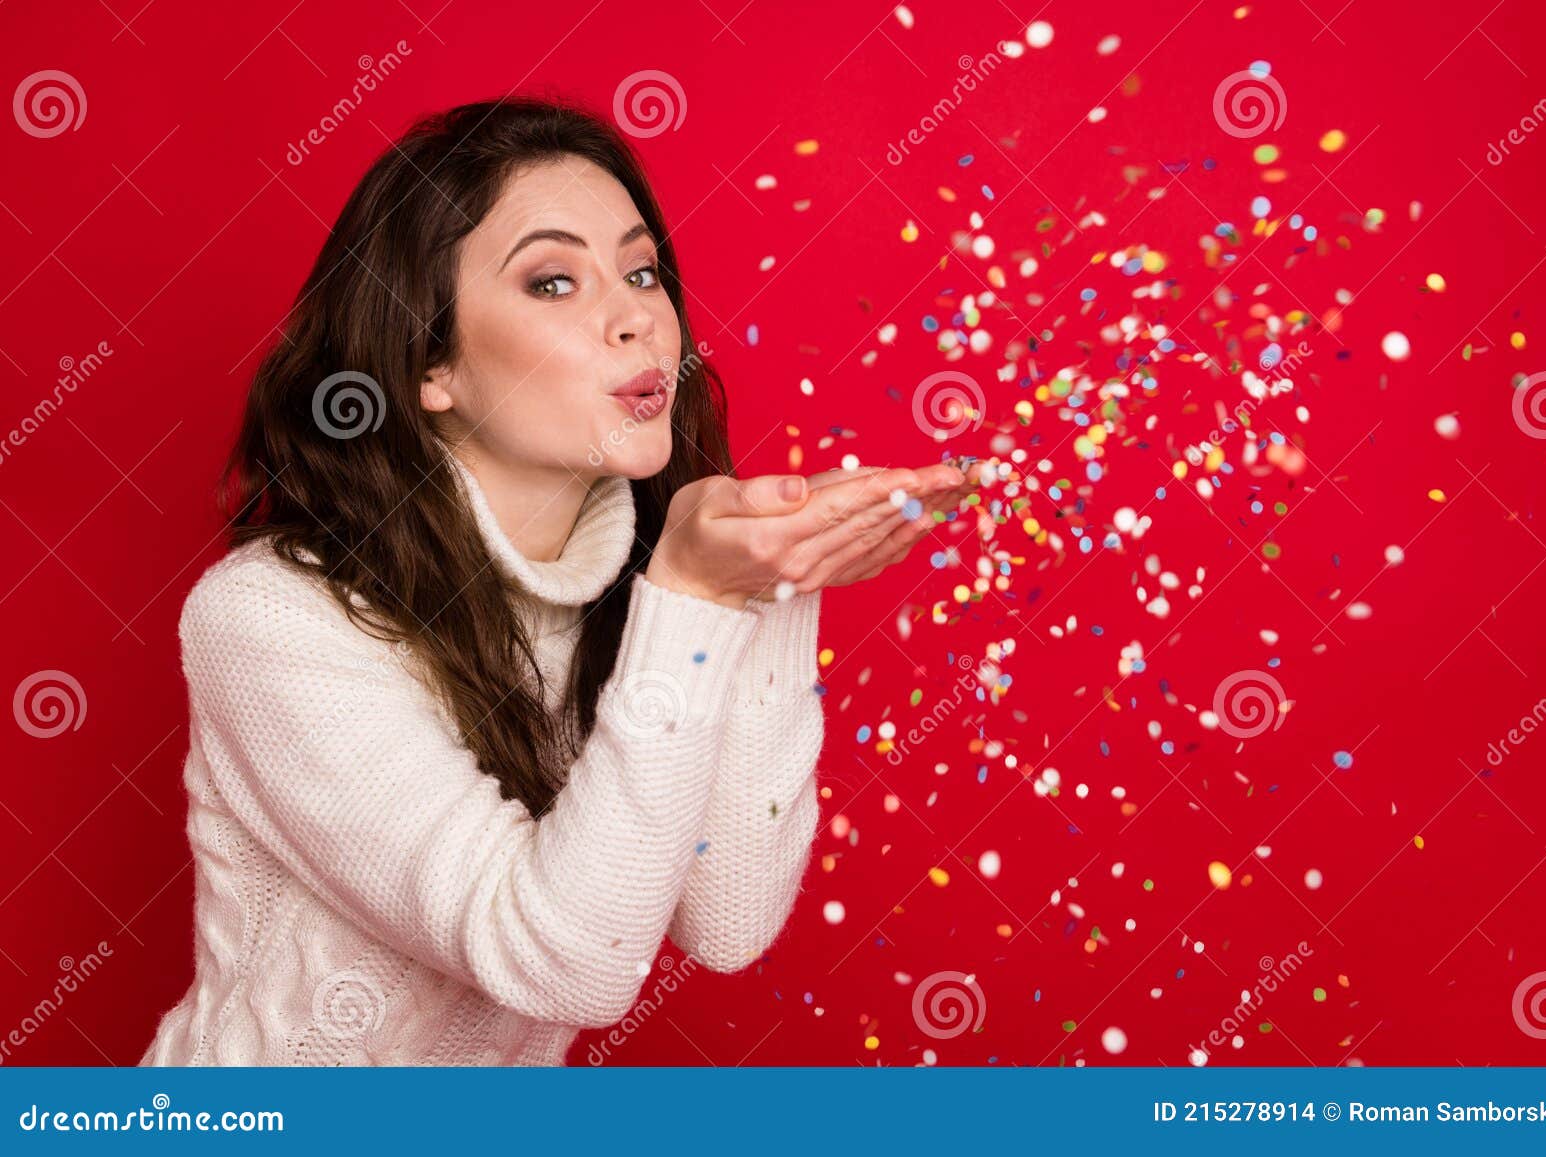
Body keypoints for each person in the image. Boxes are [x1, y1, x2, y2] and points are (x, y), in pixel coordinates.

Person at [138, 95, 971, 1065]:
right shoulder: (273, 620)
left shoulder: (646, 585)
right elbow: (562, 961)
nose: (635, 319)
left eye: (640, 269)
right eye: (551, 281)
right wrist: (696, 596)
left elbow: (730, 917)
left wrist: (770, 583)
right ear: (428, 362)